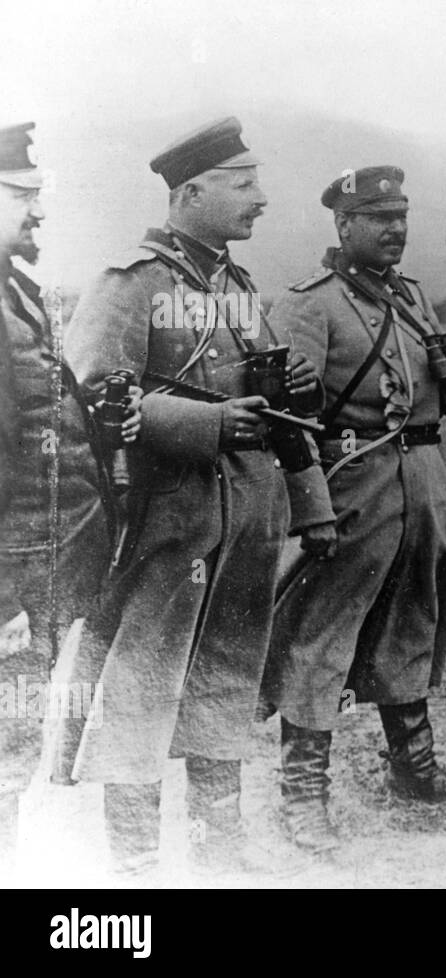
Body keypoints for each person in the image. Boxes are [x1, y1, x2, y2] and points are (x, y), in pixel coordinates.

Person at [63, 117, 322, 875]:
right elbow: (90, 397)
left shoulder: (236, 284)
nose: (261, 199)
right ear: (189, 192)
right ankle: (136, 872)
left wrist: (286, 394)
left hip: (244, 529)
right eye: (244, 184)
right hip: (165, 530)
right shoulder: (134, 282)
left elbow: (261, 399)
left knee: (223, 687)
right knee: (140, 697)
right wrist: (208, 422)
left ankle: (220, 861)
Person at [261, 165, 446, 857]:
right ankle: (302, 795)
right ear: (343, 225)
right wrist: (313, 510)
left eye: (402, 216)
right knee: (322, 636)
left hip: (422, 482)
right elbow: (289, 422)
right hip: (353, 488)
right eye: (379, 218)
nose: (395, 230)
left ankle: (413, 769)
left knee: (414, 618)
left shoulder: (411, 297)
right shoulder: (312, 304)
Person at [0, 121, 138, 861]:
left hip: (40, 573)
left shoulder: (14, 293)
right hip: (10, 584)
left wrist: (98, 425)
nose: (40, 213)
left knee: (14, 739)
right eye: (20, 196)